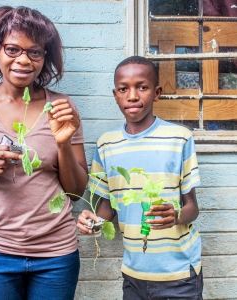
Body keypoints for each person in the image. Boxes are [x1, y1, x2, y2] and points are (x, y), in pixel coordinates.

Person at [0, 6, 88, 300]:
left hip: (56, 255)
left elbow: (75, 193)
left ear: (45, 57)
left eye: (35, 52)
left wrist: (62, 142)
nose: (23, 59)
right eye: (13, 49)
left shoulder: (61, 108)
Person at [77, 56, 203, 300]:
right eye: (124, 89)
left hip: (179, 274)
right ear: (115, 95)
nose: (132, 96)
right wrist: (93, 222)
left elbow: (193, 208)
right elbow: (107, 207)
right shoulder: (106, 144)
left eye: (142, 87)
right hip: (134, 273)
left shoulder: (179, 138)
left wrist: (175, 215)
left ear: (156, 93)